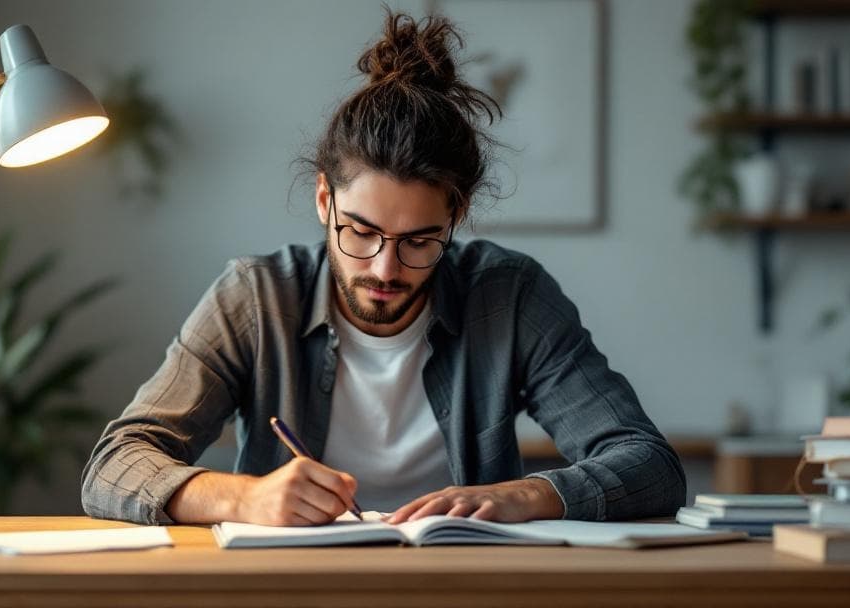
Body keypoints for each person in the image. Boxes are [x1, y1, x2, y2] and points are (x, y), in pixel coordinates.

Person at [82, 10, 685, 526]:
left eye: (421, 239)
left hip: (461, 585)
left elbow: (650, 464)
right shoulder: (257, 297)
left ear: (456, 214)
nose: (386, 267)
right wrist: (245, 497)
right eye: (361, 233)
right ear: (325, 201)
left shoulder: (509, 294)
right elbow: (114, 465)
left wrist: (527, 494)